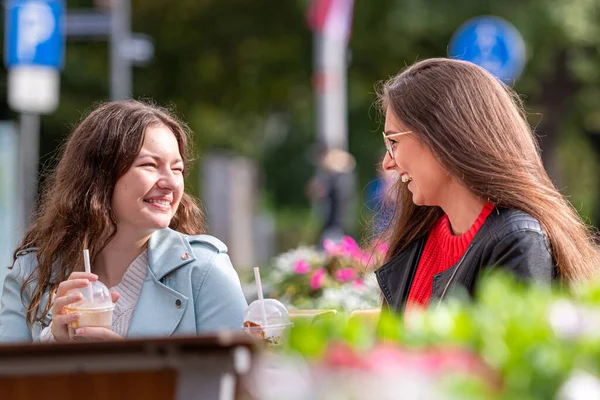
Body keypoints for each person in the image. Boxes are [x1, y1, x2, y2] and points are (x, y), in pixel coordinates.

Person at [0, 100, 248, 342]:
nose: (171, 183)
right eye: (150, 165)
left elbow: (234, 379)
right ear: (99, 176)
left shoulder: (205, 271)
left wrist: (122, 367)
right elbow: (10, 381)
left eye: (177, 169)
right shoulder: (31, 275)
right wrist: (53, 343)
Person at [374, 58, 600, 315]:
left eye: (393, 142)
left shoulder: (519, 241)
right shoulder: (419, 234)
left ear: (443, 135)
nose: (387, 162)